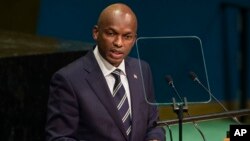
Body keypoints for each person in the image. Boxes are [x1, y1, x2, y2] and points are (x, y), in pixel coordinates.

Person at [45, 3, 165, 141]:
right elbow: (59, 138)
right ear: (96, 33)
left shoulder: (143, 70)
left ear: (134, 39)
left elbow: (154, 124)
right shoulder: (68, 79)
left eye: (127, 36)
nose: (119, 43)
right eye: (111, 33)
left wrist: (154, 139)